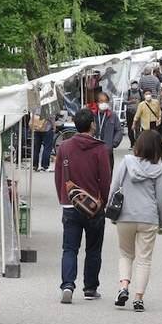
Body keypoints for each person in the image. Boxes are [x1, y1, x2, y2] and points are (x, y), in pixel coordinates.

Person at [54, 109, 112, 303]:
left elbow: (58, 177)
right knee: (93, 249)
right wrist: (103, 200)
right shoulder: (100, 149)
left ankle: (68, 285)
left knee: (69, 248)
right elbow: (105, 178)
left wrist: (63, 198)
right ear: (92, 125)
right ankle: (90, 288)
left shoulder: (64, 147)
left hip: (71, 205)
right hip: (94, 206)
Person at [110, 130, 162, 312]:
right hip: (148, 218)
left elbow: (114, 187)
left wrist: (111, 212)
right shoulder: (158, 171)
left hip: (125, 216)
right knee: (144, 259)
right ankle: (138, 299)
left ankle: (123, 287)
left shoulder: (126, 163)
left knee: (126, 254)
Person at [93, 92, 123, 171]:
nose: (104, 103)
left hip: (107, 151)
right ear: (97, 102)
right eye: (101, 101)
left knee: (108, 174)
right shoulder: (92, 115)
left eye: (106, 101)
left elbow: (119, 130)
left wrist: (113, 143)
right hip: (93, 151)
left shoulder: (113, 115)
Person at [125, 81, 143, 149]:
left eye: (136, 84)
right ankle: (132, 143)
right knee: (130, 128)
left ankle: (138, 143)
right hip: (130, 112)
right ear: (131, 85)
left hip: (139, 112)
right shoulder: (128, 92)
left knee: (138, 128)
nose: (134, 85)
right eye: (133, 84)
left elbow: (143, 100)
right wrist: (131, 102)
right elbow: (124, 101)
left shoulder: (141, 92)